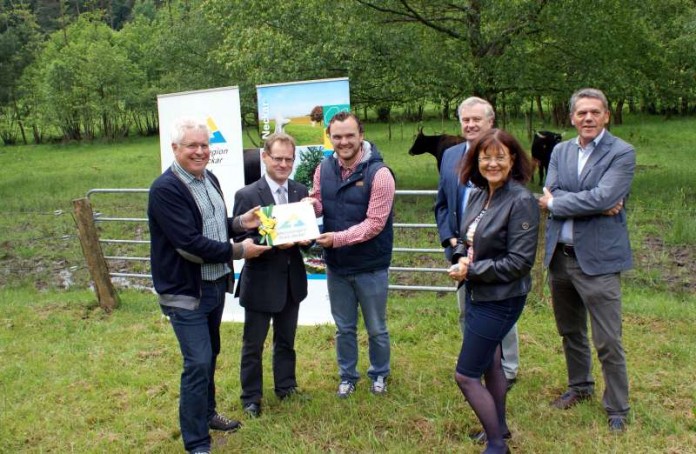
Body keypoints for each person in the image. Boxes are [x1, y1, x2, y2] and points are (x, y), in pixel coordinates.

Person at [148, 117, 269, 454]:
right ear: (175, 149)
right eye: (192, 146)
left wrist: (241, 223)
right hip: (186, 292)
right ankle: (197, 442)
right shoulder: (166, 189)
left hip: (214, 285)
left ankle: (207, 413)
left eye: (205, 145)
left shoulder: (209, 178)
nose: (200, 151)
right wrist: (241, 250)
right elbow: (188, 244)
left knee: (210, 355)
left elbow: (214, 228)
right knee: (198, 361)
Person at [539, 88, 634, 432]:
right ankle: (579, 387)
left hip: (599, 261)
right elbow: (552, 190)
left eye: (595, 112)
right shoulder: (560, 150)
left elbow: (606, 195)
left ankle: (617, 408)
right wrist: (590, 202)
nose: (588, 118)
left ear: (606, 115)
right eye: (581, 113)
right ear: (572, 118)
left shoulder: (622, 152)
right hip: (560, 259)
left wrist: (558, 203)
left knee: (608, 338)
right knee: (570, 331)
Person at [448, 128, 538, 454]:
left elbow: (519, 262)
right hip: (477, 292)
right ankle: (499, 428)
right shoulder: (477, 193)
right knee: (492, 363)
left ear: (513, 159)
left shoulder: (522, 200)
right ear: (477, 160)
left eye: (500, 156)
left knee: (466, 375)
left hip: (501, 299)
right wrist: (460, 257)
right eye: (486, 157)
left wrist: (471, 270)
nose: (493, 163)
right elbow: (467, 239)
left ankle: (497, 445)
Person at [306, 111, 395, 398]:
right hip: (338, 267)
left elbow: (375, 223)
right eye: (337, 136)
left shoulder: (380, 174)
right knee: (344, 328)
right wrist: (308, 207)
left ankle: (379, 373)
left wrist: (337, 240)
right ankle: (348, 376)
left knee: (376, 328)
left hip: (370, 265)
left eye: (349, 136)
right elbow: (321, 203)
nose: (343, 142)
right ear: (330, 138)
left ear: (361, 135)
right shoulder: (323, 169)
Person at [435, 97, 521, 390]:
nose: (470, 125)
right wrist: (451, 239)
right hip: (460, 249)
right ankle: (477, 361)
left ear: (490, 122)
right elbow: (443, 204)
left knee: (499, 311)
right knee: (466, 309)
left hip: (496, 251)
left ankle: (507, 368)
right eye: (465, 120)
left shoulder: (504, 156)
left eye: (476, 120)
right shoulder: (450, 156)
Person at [232, 132, 310, 418]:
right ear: (265, 157)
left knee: (286, 340)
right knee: (253, 344)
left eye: (288, 159)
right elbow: (243, 237)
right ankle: (251, 397)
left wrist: (304, 240)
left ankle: (286, 386)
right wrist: (274, 242)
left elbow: (307, 235)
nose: (283, 164)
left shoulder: (301, 192)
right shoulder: (247, 195)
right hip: (261, 282)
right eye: (277, 158)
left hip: (291, 281)